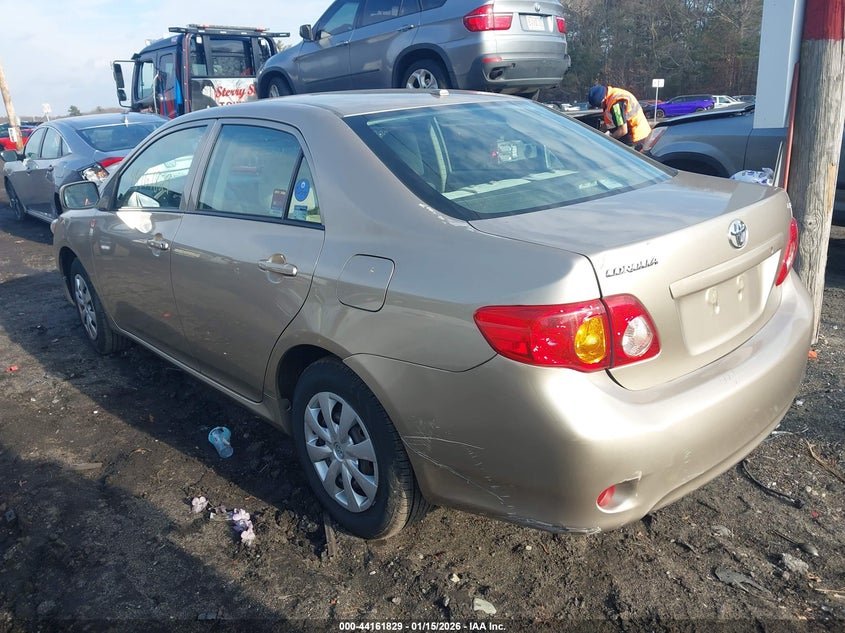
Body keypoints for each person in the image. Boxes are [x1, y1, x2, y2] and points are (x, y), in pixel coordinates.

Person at [587, 84, 651, 150]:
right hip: (638, 135)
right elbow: (611, 121)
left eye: (599, 106)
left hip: (636, 138)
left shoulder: (616, 104)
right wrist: (599, 132)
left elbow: (622, 130)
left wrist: (608, 140)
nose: (600, 107)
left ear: (603, 99)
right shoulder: (612, 96)